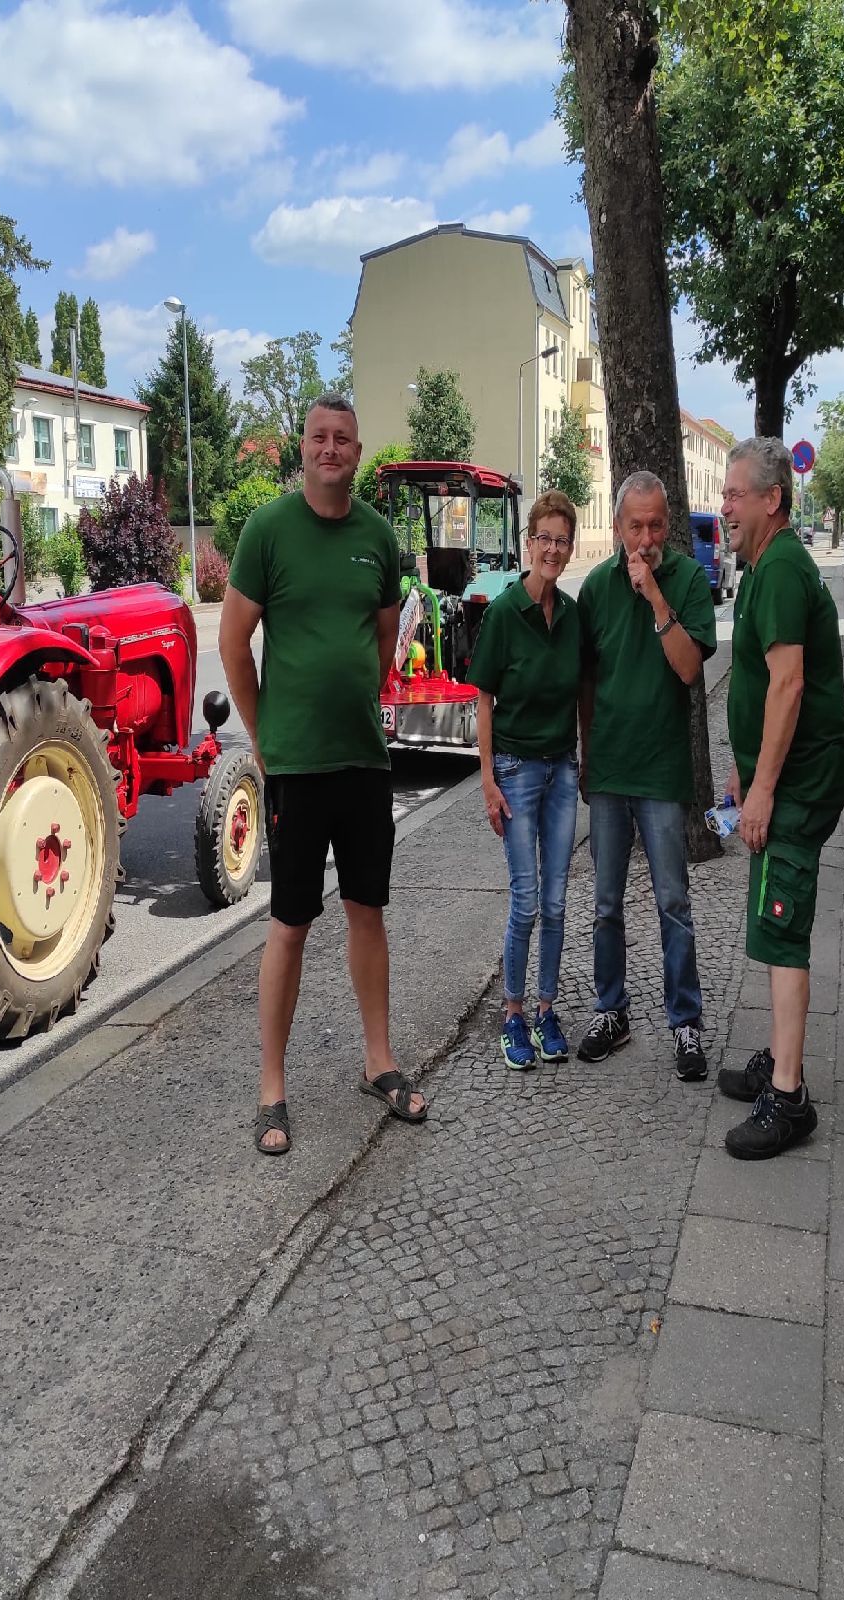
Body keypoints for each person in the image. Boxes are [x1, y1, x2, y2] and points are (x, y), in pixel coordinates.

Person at [219, 395, 427, 1155]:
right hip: (297, 768)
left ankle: (379, 1062)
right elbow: (233, 641)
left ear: (357, 451)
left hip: (364, 760)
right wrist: (262, 735)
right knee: (290, 924)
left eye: (343, 438)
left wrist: (351, 697)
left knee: (368, 912)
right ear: (302, 449)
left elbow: (382, 640)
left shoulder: (378, 538)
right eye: (319, 438)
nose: (330, 448)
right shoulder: (267, 531)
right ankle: (271, 1090)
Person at [717, 437, 844, 1158]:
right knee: (777, 920)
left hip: (799, 785)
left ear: (772, 499)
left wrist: (764, 789)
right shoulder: (767, 565)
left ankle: (789, 1097)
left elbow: (789, 684)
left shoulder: (777, 571)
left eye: (734, 494)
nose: (724, 507)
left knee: (782, 925)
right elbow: (762, 685)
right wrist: (746, 769)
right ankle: (780, 1055)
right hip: (786, 777)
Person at [576, 471, 717, 1081]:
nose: (646, 538)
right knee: (606, 903)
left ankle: (685, 1021)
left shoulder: (687, 579)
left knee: (673, 902)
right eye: (635, 526)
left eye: (657, 525)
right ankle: (612, 1010)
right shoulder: (596, 588)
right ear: (617, 527)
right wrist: (585, 754)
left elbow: (689, 670)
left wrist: (656, 597)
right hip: (610, 767)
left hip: (661, 769)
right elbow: (585, 681)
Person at [468, 490, 582, 1070]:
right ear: (528, 543)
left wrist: (585, 756)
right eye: (544, 539)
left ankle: (545, 1009)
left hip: (562, 770)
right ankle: (512, 1013)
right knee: (527, 899)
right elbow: (484, 701)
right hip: (515, 771)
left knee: (557, 901)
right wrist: (487, 780)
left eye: (562, 540)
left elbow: (583, 692)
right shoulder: (504, 613)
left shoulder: (572, 616)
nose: (552, 550)